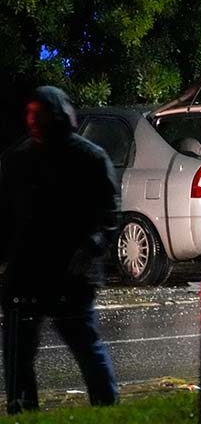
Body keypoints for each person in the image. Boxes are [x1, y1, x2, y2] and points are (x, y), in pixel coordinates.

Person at [0, 86, 119, 414]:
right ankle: (22, 411)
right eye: (31, 114)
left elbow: (108, 217)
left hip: (70, 274)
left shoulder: (89, 158)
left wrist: (86, 254)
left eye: (40, 115)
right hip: (26, 273)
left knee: (84, 344)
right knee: (18, 353)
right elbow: (6, 215)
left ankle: (107, 408)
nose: (34, 121)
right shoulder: (17, 159)